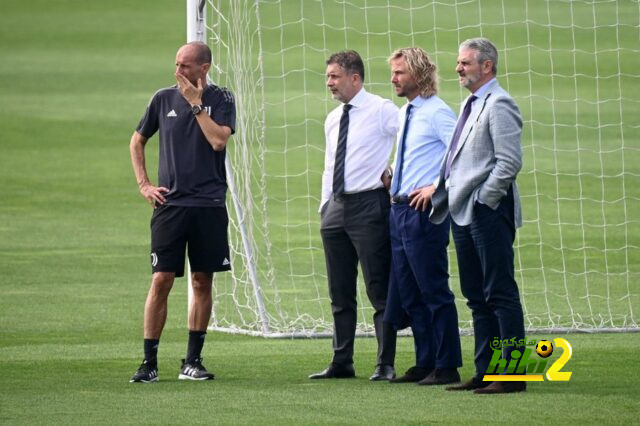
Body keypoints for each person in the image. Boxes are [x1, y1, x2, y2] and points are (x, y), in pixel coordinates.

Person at [128, 41, 236, 383]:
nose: (178, 71)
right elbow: (137, 140)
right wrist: (144, 184)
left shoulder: (222, 99)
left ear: (203, 68)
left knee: (202, 280)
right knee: (161, 280)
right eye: (176, 64)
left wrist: (195, 105)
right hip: (170, 206)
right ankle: (148, 363)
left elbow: (218, 140)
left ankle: (192, 361)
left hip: (209, 205)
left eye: (185, 65)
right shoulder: (162, 98)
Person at [430, 37, 526, 394]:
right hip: (463, 211)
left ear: (487, 66)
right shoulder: (472, 103)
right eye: (458, 62)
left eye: (466, 63)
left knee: (500, 292)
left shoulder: (499, 103)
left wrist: (485, 199)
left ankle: (514, 376)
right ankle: (486, 371)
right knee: (476, 294)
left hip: (487, 210)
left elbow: (509, 162)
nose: (458, 68)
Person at [309, 50, 399, 381]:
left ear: (355, 78)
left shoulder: (381, 110)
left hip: (369, 206)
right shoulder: (333, 118)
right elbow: (329, 165)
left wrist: (395, 172)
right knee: (340, 290)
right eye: (328, 76)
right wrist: (324, 205)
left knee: (379, 288)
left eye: (334, 76)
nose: (329, 82)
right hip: (335, 208)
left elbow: (411, 138)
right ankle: (341, 361)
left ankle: (385, 363)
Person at [383, 47, 462, 386]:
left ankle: (447, 365)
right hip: (398, 208)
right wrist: (392, 174)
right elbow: (415, 154)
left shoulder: (437, 112)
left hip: (421, 212)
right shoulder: (406, 112)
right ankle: (424, 360)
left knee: (433, 290)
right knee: (410, 291)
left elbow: (463, 151)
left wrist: (436, 187)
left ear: (418, 74)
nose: (393, 78)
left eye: (400, 72)